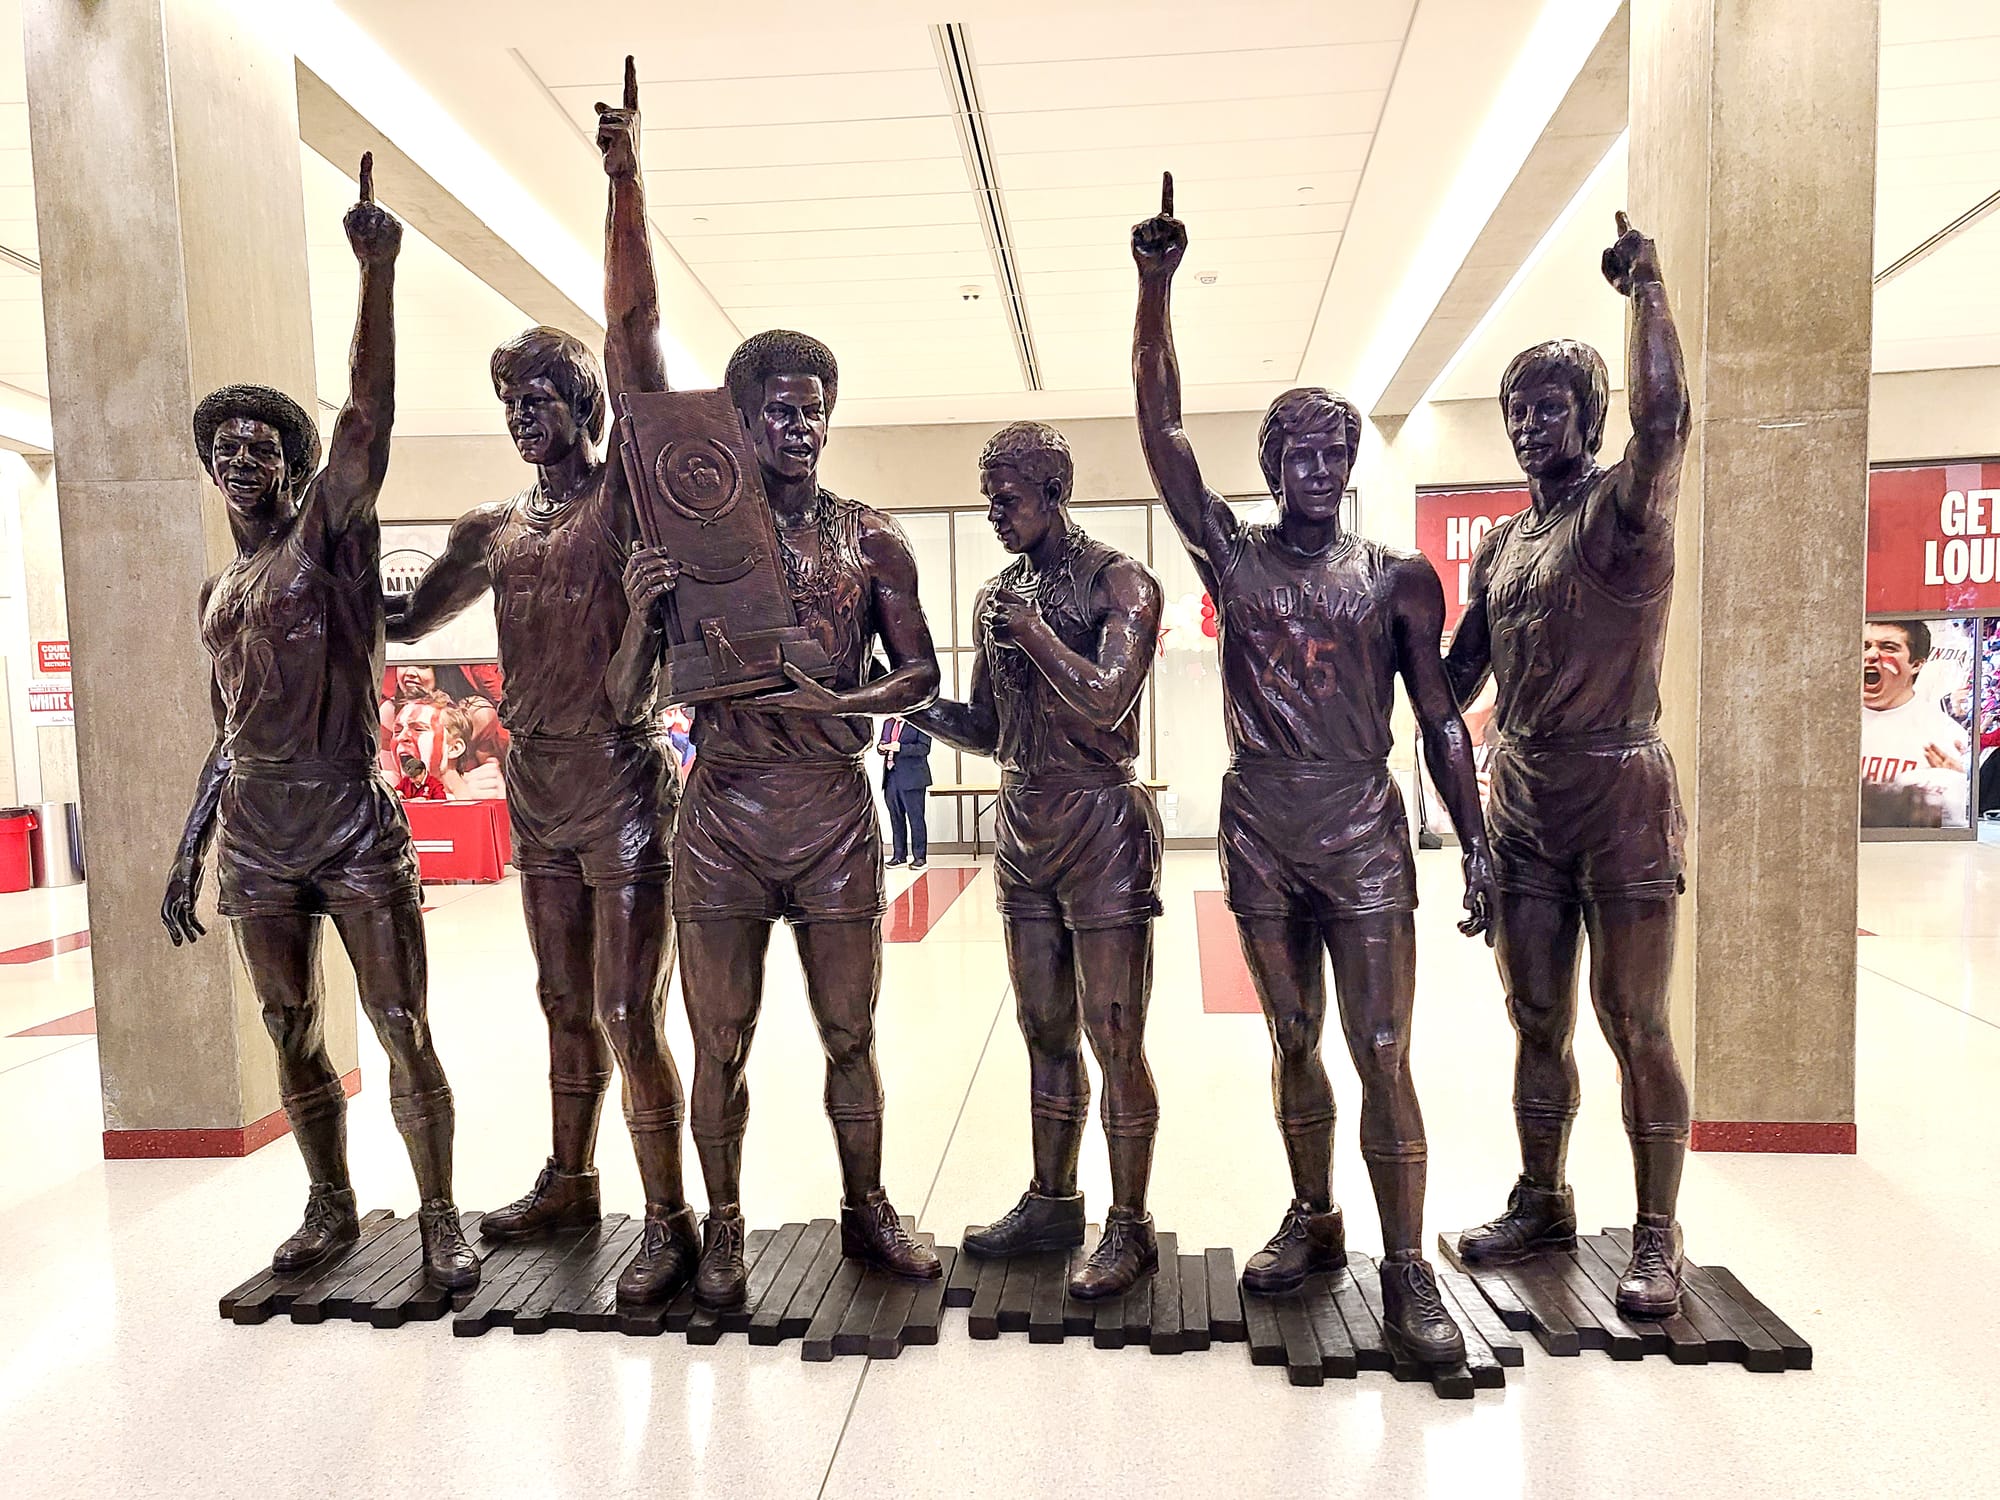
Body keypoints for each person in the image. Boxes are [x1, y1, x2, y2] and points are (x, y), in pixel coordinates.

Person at [1132, 176, 1493, 1365]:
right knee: (1290, 1037)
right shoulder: (1230, 557)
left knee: (1381, 1048)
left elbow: (1439, 718)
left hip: (1359, 819)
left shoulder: (1394, 577)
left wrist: (1475, 843)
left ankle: (1405, 1272)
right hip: (1258, 824)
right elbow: (1161, 435)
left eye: (1337, 447)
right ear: (1272, 459)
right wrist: (1153, 286)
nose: (1319, 463)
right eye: (1297, 446)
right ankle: (1315, 1216)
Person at [384, 62, 695, 1306]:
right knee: (559, 997)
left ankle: (666, 1215)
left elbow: (633, 346)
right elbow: (402, 614)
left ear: (583, 410)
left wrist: (623, 182)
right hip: (541, 792)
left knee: (628, 1009)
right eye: (511, 401)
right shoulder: (494, 528)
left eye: (546, 399)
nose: (527, 416)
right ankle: (571, 1184)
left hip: (622, 786)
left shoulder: (623, 493)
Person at [158, 157, 478, 1291]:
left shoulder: (328, 541)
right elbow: (226, 732)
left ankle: (442, 1216)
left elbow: (369, 417)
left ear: (295, 469)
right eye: (224, 450)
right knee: (289, 1030)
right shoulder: (219, 596)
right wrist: (191, 848)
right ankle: (330, 1205)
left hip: (350, 823)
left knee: (399, 1024)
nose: (240, 461)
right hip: (255, 837)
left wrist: (377, 274)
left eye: (261, 448)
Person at [654, 327, 944, 1309]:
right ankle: (723, 1228)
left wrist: (841, 706)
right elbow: (640, 684)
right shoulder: (692, 542)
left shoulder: (869, 537)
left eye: (813, 408)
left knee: (849, 1033)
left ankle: (866, 1207)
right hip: (724, 813)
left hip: (829, 814)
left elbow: (920, 675)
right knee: (718, 1039)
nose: (800, 426)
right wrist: (636, 607)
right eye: (780, 409)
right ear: (739, 421)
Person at [1444, 213, 1697, 1319]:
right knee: (1534, 1017)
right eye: (1513, 408)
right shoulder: (1500, 546)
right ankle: (1541, 1198)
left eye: (1548, 406)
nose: (1526, 423)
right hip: (1524, 798)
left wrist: (1644, 289)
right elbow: (1448, 679)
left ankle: (1655, 1231)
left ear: (1588, 419)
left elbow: (1667, 418)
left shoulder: (1623, 510)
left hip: (1621, 795)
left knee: (1631, 1020)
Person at [911, 420, 1166, 1297]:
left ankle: (1129, 1228)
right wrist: (912, 706)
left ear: (1056, 493)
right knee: (1043, 1029)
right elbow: (987, 729)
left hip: (1101, 819)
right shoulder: (997, 594)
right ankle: (1053, 1200)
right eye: (987, 499)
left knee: (1115, 1032)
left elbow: (1107, 699)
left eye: (1007, 498)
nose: (994, 514)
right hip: (1024, 819)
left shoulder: (1120, 582)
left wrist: (1033, 631)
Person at [1860, 619, 1968, 828]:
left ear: (1916, 664)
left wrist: (1952, 793)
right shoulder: (1829, 722)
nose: (1871, 655)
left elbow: (1952, 828)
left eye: (1887, 647)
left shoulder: (1945, 735)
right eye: (1865, 646)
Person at [876, 715, 933, 868]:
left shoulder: (920, 722)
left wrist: (900, 748)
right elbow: (882, 743)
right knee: (895, 817)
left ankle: (920, 857)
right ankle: (899, 856)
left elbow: (924, 748)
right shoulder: (888, 723)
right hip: (891, 776)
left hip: (912, 778)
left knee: (916, 818)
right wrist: (881, 747)